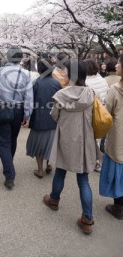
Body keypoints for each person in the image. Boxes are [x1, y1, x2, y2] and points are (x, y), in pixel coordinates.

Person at [43, 60, 96, 234]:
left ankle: (54, 200)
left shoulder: (61, 94)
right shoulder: (91, 93)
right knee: (83, 180)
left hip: (66, 138)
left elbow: (54, 115)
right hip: (85, 140)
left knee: (60, 171)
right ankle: (87, 219)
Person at [0, 45, 33, 189]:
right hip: (18, 109)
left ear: (8, 57)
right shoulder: (26, 73)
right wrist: (27, 114)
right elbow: (29, 96)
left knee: (3, 142)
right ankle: (9, 164)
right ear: (20, 58)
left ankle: (9, 174)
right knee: (12, 139)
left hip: (3, 108)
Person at [26, 58, 62, 178]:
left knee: (38, 145)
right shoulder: (57, 83)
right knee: (50, 144)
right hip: (53, 119)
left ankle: (40, 170)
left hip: (38, 119)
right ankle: (49, 165)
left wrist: (27, 117)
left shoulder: (35, 83)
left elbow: (30, 102)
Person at [99, 54, 123, 219]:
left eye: (119, 63)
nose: (116, 66)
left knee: (117, 168)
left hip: (118, 135)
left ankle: (118, 207)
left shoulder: (116, 90)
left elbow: (106, 115)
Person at [84, 58, 109, 172]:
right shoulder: (102, 80)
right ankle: (99, 160)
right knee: (99, 137)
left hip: (91, 112)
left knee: (92, 138)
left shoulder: (86, 82)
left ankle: (96, 162)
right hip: (102, 111)